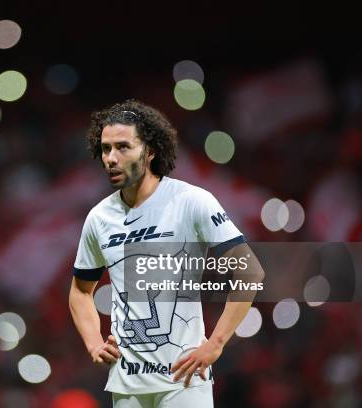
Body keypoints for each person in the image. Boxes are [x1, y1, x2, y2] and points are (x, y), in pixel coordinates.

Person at [69, 100, 265, 407]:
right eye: (105, 149)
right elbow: (80, 292)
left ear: (150, 150)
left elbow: (250, 272)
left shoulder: (192, 201)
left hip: (183, 382)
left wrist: (216, 343)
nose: (111, 158)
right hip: (127, 385)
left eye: (123, 147)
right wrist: (94, 343)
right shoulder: (99, 218)